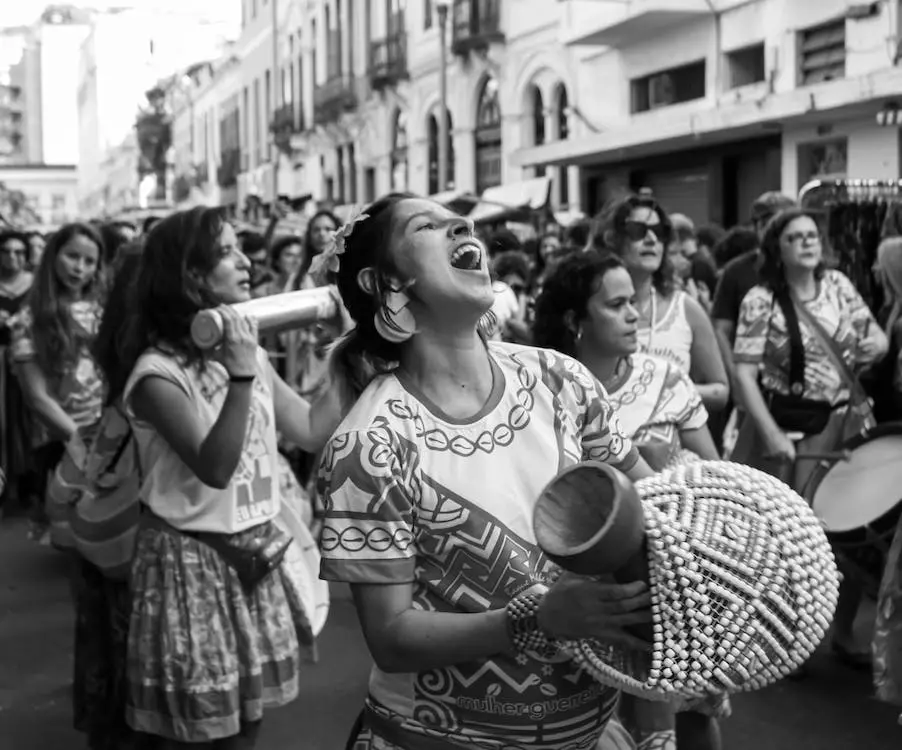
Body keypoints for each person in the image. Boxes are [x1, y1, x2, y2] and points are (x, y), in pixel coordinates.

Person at [318, 193, 657, 750]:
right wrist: (536, 618)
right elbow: (392, 637)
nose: (461, 223)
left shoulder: (561, 380)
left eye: (458, 220)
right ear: (389, 287)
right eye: (428, 226)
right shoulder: (370, 445)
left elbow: (652, 504)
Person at [94, 207, 346, 748]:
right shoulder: (156, 373)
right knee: (207, 730)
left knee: (248, 719)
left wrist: (346, 350)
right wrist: (239, 374)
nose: (245, 260)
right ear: (191, 275)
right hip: (191, 563)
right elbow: (214, 467)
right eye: (228, 252)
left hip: (254, 552)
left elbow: (308, 428)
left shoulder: (247, 350)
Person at [533, 251, 724, 750]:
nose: (635, 314)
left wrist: (670, 487)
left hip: (669, 586)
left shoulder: (666, 379)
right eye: (616, 305)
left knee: (691, 716)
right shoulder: (537, 391)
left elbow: (714, 479)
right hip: (579, 600)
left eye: (632, 302)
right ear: (575, 319)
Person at [731, 207, 887, 669]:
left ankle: (842, 633)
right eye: (795, 236)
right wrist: (772, 432)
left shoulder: (838, 285)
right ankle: (788, 643)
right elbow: (743, 372)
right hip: (795, 430)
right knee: (795, 540)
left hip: (846, 422)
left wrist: (866, 350)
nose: (807, 242)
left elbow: (874, 337)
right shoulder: (761, 299)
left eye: (812, 235)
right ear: (776, 248)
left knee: (853, 530)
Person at [10, 223, 106, 539]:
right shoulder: (28, 320)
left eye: (89, 261)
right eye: (72, 256)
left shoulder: (105, 311)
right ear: (53, 256)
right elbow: (36, 397)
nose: (80, 268)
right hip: (61, 437)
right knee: (74, 536)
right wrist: (77, 439)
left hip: (111, 431)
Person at [597, 194, 728, 413]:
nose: (651, 239)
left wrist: (664, 388)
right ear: (613, 238)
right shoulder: (591, 308)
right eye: (638, 230)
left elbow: (720, 391)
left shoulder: (686, 309)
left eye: (659, 232)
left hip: (674, 443)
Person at [0, 229, 34, 510]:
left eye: (19, 252)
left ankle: (28, 483)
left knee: (28, 419)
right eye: (6, 251)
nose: (13, 258)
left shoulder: (35, 286)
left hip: (30, 362)